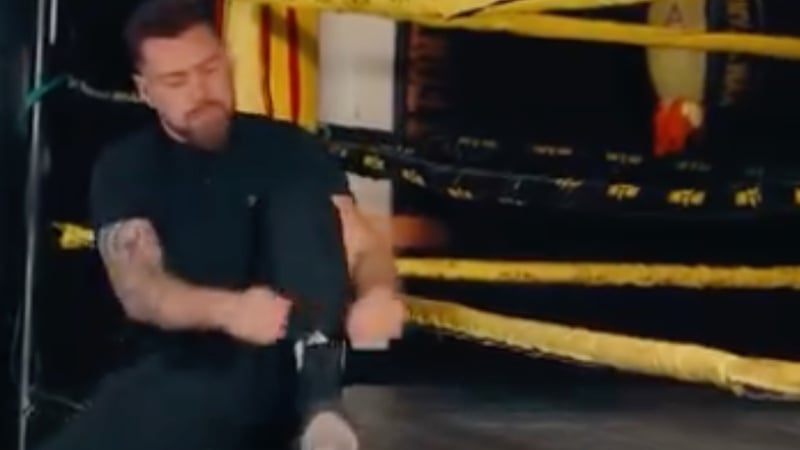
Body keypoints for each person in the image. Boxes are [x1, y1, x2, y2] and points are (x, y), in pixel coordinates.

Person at [35, 0, 404, 449]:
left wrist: (378, 291)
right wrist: (227, 311)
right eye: (177, 81)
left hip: (287, 368)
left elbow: (361, 244)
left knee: (296, 193)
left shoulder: (289, 147)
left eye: (209, 69)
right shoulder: (128, 166)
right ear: (146, 90)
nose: (200, 90)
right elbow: (141, 288)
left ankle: (320, 401)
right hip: (180, 371)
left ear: (227, 62)